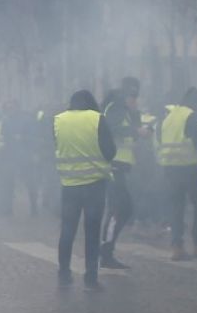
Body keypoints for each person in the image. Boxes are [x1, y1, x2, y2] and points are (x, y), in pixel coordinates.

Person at [53, 89, 115, 289]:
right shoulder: (97, 119)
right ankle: (90, 276)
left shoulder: (58, 120)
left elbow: (56, 145)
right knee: (92, 231)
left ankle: (64, 272)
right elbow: (110, 151)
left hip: (69, 184)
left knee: (68, 230)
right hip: (94, 184)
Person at [155, 88, 197, 260]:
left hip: (169, 168)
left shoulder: (168, 116)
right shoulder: (191, 116)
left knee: (176, 208)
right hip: (190, 167)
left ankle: (177, 247)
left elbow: (159, 137)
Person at [98, 80, 139, 269]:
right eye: (134, 97)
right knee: (119, 208)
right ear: (128, 96)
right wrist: (134, 130)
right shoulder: (116, 108)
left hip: (118, 166)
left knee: (123, 208)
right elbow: (111, 129)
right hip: (113, 165)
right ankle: (106, 251)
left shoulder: (121, 109)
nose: (136, 102)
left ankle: (107, 249)